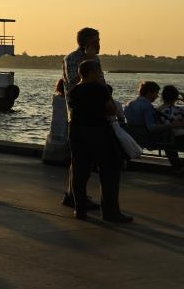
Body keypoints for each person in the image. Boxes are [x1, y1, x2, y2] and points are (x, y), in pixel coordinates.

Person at [67, 60, 130, 223]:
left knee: (79, 171)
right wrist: (106, 91)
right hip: (98, 131)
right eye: (98, 71)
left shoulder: (73, 91)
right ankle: (110, 212)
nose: (100, 74)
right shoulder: (99, 89)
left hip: (76, 131)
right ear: (92, 73)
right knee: (109, 169)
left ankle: (79, 209)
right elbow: (111, 109)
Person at [60, 27, 100, 209]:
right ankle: (76, 197)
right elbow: (73, 82)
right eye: (95, 40)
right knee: (79, 159)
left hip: (95, 113)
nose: (99, 43)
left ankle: (75, 194)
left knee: (88, 160)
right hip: (78, 114)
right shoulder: (72, 59)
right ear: (86, 43)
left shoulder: (96, 60)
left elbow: (101, 82)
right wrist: (86, 62)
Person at [124, 80, 183, 168]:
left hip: (131, 135)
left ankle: (177, 166)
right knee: (171, 137)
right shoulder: (147, 106)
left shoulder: (130, 104)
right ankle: (177, 166)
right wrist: (172, 125)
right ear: (149, 93)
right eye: (156, 93)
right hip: (145, 137)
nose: (157, 96)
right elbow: (151, 127)